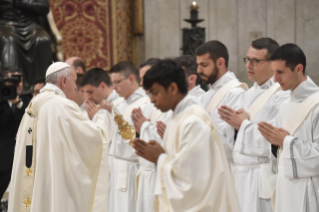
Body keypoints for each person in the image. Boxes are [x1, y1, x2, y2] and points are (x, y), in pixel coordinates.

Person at [132, 59, 240, 212]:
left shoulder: (193, 122)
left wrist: (160, 158)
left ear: (173, 88)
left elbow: (194, 181)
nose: (152, 100)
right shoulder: (179, 116)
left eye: (155, 93)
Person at [8, 62, 115, 212]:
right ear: (64, 81)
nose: (76, 87)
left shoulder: (32, 106)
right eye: (75, 81)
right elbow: (95, 138)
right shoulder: (62, 106)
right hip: (54, 182)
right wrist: (103, 115)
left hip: (38, 182)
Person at [219, 38, 289, 212]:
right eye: (247, 59)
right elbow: (234, 137)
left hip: (261, 177)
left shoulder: (282, 95)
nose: (249, 65)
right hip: (241, 175)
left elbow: (272, 141)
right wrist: (233, 126)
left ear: (273, 63)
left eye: (256, 61)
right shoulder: (248, 93)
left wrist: (242, 125)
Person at [258, 44, 319, 212]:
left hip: (308, 191)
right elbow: (278, 155)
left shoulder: (317, 105)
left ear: (298, 68)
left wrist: (285, 141)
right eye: (273, 72)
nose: (275, 79)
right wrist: (274, 143)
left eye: (280, 72)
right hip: (285, 188)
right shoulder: (284, 106)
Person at [108, 61, 155, 212]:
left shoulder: (146, 104)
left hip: (131, 167)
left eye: (117, 82)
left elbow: (138, 138)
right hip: (116, 165)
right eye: (112, 83)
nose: (114, 88)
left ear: (131, 79)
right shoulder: (119, 104)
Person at [196, 40, 248, 174]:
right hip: (208, 166)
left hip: (226, 169)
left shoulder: (235, 92)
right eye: (198, 65)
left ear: (220, 62)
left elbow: (233, 145)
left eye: (204, 65)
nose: (198, 70)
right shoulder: (207, 95)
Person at [133, 58, 172, 212]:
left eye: (146, 78)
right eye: (141, 78)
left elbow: (165, 140)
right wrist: (140, 128)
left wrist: (144, 126)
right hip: (146, 172)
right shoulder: (147, 104)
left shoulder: (169, 104)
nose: (142, 83)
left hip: (160, 172)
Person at [0, 0, 52, 93]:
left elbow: (45, 7)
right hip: (6, 23)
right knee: (8, 40)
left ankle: (41, 88)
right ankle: (10, 87)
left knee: (43, 39)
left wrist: (22, 2)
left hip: (31, 24)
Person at [0, 67, 31, 199]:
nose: (18, 84)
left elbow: (31, 119)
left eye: (20, 80)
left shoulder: (28, 102)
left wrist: (18, 104)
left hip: (24, 159)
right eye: (13, 80)